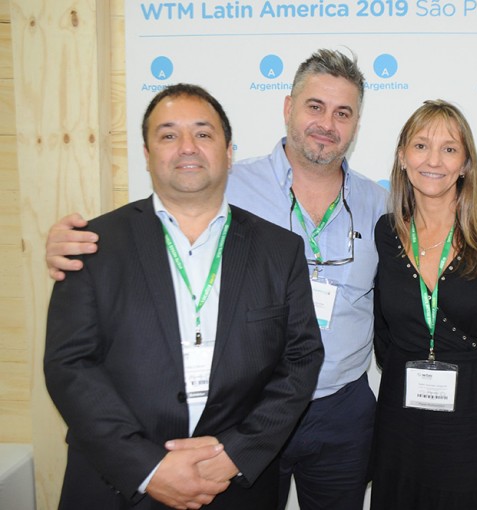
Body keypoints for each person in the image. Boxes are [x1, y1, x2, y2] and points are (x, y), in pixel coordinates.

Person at [45, 49, 388, 510]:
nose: (327, 123)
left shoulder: (381, 204)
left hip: (341, 409)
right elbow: (141, 237)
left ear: (356, 123)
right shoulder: (222, 181)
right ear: (288, 107)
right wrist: (68, 243)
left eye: (342, 112)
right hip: (245, 412)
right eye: (315, 106)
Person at [371, 99, 477, 509]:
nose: (433, 160)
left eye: (449, 149)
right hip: (403, 414)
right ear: (402, 157)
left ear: (465, 163)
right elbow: (383, 328)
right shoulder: (387, 232)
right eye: (421, 146)